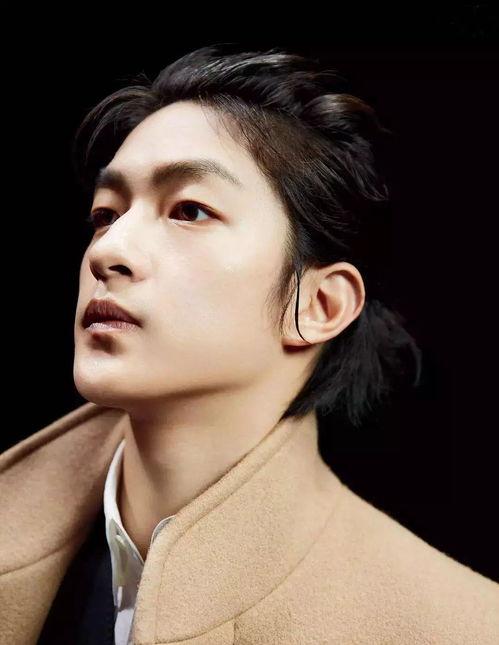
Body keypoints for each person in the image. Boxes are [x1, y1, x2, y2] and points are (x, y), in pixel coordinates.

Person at [1, 44, 498, 645]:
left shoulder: (459, 626)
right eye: (106, 214)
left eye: (189, 210)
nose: (107, 251)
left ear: (319, 306)